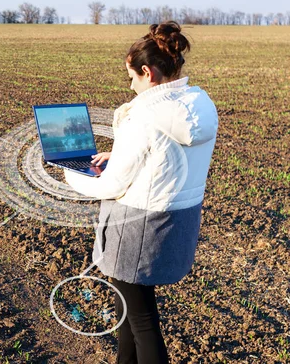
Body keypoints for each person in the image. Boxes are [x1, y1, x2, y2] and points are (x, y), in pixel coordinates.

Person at [64, 20, 219, 363]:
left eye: (132, 77)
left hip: (138, 228)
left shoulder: (144, 117)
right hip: (175, 223)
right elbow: (164, 157)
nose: (132, 86)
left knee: (143, 322)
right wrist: (118, 154)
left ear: (147, 73)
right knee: (130, 316)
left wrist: (71, 173)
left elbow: (112, 184)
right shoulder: (198, 107)